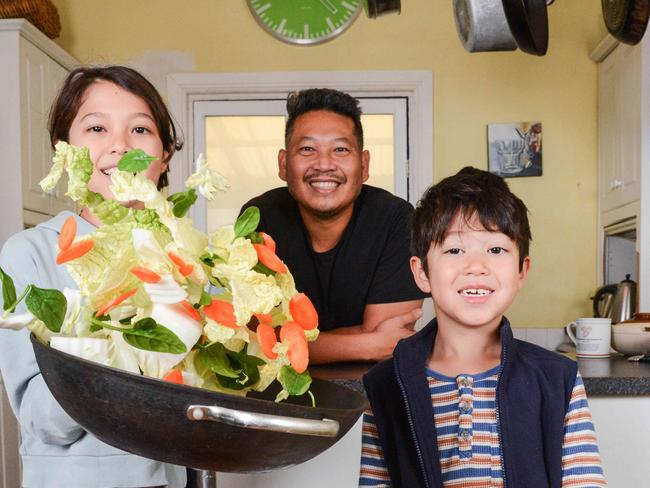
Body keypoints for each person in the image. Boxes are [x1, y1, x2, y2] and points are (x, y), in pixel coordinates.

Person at [359, 167, 606, 487]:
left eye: (495, 250)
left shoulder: (557, 379)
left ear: (521, 270)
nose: (476, 266)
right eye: (454, 250)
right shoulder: (387, 386)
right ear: (422, 273)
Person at [0, 66, 186, 488]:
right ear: (64, 149)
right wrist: (114, 336)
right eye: (97, 128)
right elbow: (41, 420)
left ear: (165, 154)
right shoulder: (29, 254)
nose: (120, 145)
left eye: (140, 129)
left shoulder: (185, 257)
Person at [240, 88, 427, 364]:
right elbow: (258, 337)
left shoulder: (396, 218)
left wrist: (293, 340)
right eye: (307, 149)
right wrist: (366, 343)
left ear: (363, 165)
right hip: (275, 393)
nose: (324, 164)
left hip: (373, 391)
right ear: (283, 164)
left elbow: (391, 340)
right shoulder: (260, 217)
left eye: (340, 149)